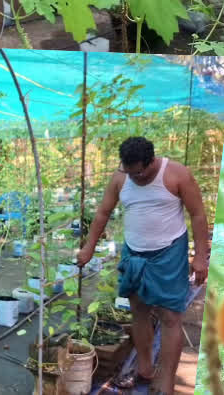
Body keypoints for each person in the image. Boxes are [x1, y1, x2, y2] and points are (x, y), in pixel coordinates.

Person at [76, 136, 210, 394]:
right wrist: (89, 247)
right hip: (134, 253)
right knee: (139, 310)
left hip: (169, 253)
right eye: (128, 172)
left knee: (170, 317)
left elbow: (198, 214)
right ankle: (145, 368)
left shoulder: (176, 174)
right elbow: (103, 212)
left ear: (150, 162)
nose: (133, 178)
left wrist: (200, 257)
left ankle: (165, 381)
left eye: (137, 172)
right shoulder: (120, 178)